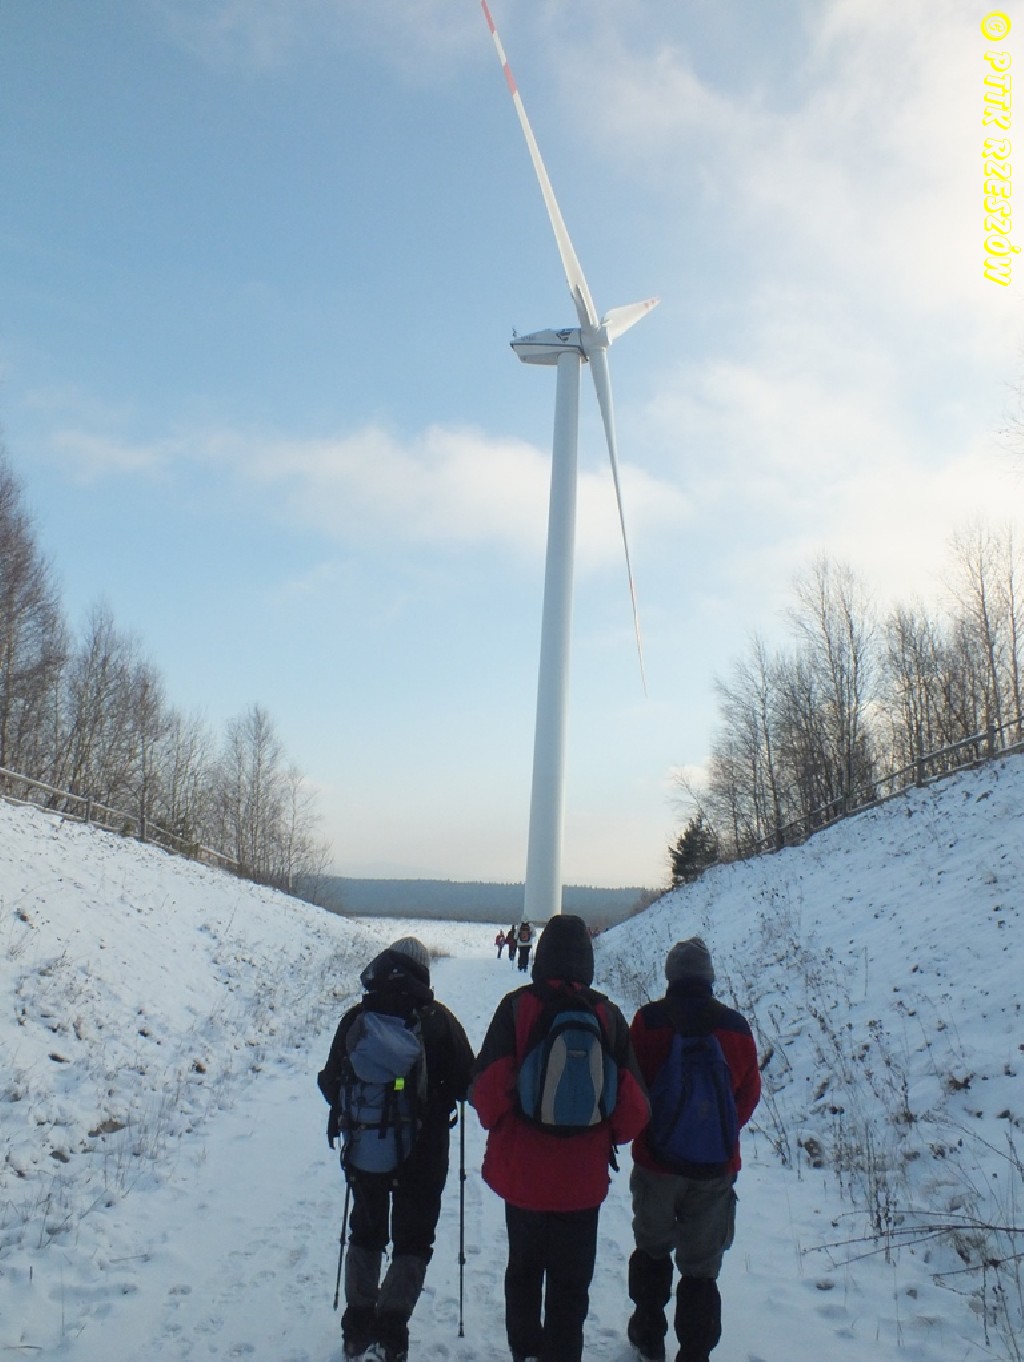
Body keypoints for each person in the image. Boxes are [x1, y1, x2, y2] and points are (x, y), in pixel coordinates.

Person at [471, 914, 650, 1362]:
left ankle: (526, 1353)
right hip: (581, 1182)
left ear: (542, 953)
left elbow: (486, 1089)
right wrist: (604, 1135)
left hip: (524, 1175)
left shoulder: (517, 1007)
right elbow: (635, 1107)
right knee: (571, 1284)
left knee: (524, 1272)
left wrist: (506, 1126)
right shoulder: (606, 1014)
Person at [318, 937, 474, 1362]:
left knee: (366, 1230)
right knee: (414, 1239)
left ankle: (357, 1328)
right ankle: (390, 1333)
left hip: (366, 1147)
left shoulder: (359, 1017)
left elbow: (330, 1081)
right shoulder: (438, 1021)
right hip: (424, 1152)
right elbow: (468, 1083)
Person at [626, 938, 761, 1362]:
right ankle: (695, 1351)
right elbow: (748, 1094)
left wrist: (651, 1131)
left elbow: (631, 1087)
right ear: (709, 977)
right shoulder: (736, 1028)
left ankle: (649, 1335)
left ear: (671, 975)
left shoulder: (649, 1022)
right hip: (715, 1169)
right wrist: (716, 1133)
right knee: (701, 1268)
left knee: (652, 1248)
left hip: (656, 1163)